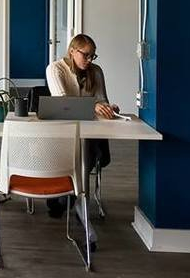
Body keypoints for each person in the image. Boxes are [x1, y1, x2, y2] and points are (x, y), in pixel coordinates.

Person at [45, 33, 118, 251]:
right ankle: (73, 197)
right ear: (72, 51)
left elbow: (102, 99)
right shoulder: (56, 69)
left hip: (89, 132)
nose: (89, 60)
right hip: (62, 132)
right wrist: (92, 105)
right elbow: (63, 104)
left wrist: (107, 108)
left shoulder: (96, 72)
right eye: (85, 54)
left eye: (92, 56)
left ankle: (77, 199)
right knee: (77, 156)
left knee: (86, 151)